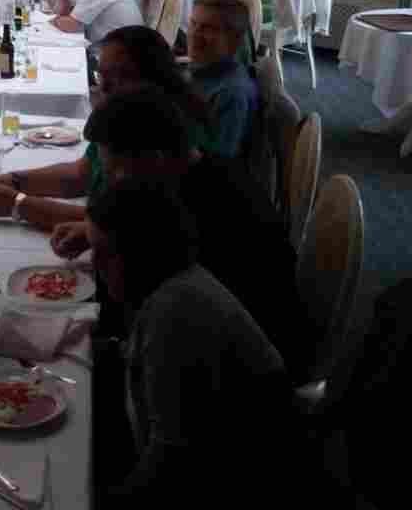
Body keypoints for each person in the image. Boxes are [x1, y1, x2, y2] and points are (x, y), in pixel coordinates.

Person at [47, 88, 312, 383]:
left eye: (115, 172)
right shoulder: (200, 171)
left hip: (238, 375)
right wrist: (96, 234)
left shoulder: (200, 213)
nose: (110, 184)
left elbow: (153, 312)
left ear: (154, 158)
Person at [88, 177, 291, 505]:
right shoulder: (175, 280)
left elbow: (168, 468)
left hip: (241, 473)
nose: (94, 267)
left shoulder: (174, 313)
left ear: (141, 252)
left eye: (105, 253)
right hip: (211, 441)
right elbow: (139, 355)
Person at [0, 26, 208, 230]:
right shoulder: (123, 114)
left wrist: (19, 204)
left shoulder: (167, 130)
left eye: (121, 76)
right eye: (101, 75)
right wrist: (15, 181)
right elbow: (82, 174)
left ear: (153, 78)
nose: (104, 87)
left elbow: (123, 222)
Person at [187, 0, 259, 158]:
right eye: (192, 23)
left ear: (234, 39)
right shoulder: (205, 69)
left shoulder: (231, 95)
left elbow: (217, 164)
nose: (194, 34)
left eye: (208, 28)